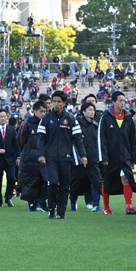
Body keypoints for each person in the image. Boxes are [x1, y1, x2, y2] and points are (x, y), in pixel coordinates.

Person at [36, 91, 86, 219]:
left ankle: (61, 212)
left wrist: (83, 155)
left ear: (64, 103)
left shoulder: (71, 119)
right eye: (54, 101)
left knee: (65, 185)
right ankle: (52, 209)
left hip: (66, 158)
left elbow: (78, 139)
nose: (56, 104)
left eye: (59, 101)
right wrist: (41, 154)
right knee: (52, 183)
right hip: (50, 158)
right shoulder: (46, 119)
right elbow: (40, 138)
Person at [98, 91, 136, 215]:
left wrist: (133, 158)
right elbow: (101, 139)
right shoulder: (105, 117)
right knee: (107, 181)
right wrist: (103, 157)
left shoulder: (128, 118)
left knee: (126, 178)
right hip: (110, 157)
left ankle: (128, 207)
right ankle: (106, 207)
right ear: (113, 102)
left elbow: (133, 140)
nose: (123, 103)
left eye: (124, 100)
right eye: (120, 100)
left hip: (125, 156)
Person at [70, 101, 104, 212]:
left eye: (93, 110)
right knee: (76, 183)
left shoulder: (96, 126)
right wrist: (78, 157)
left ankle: (96, 205)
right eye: (90, 110)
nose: (92, 112)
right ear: (83, 112)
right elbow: (74, 143)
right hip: (79, 161)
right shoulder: (76, 125)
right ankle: (73, 203)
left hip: (93, 160)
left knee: (96, 182)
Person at [18, 100, 48, 212]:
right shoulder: (27, 124)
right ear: (34, 111)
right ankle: (31, 203)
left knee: (43, 181)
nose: (43, 114)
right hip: (29, 158)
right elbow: (20, 140)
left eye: (45, 111)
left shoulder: (46, 123)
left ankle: (41, 201)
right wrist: (28, 151)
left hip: (43, 158)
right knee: (30, 181)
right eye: (41, 111)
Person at [0, 108, 21, 207]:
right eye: (1, 117)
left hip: (10, 159)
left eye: (4, 116)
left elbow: (16, 145)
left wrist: (18, 157)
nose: (3, 118)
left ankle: (8, 197)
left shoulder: (11, 130)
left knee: (12, 178)